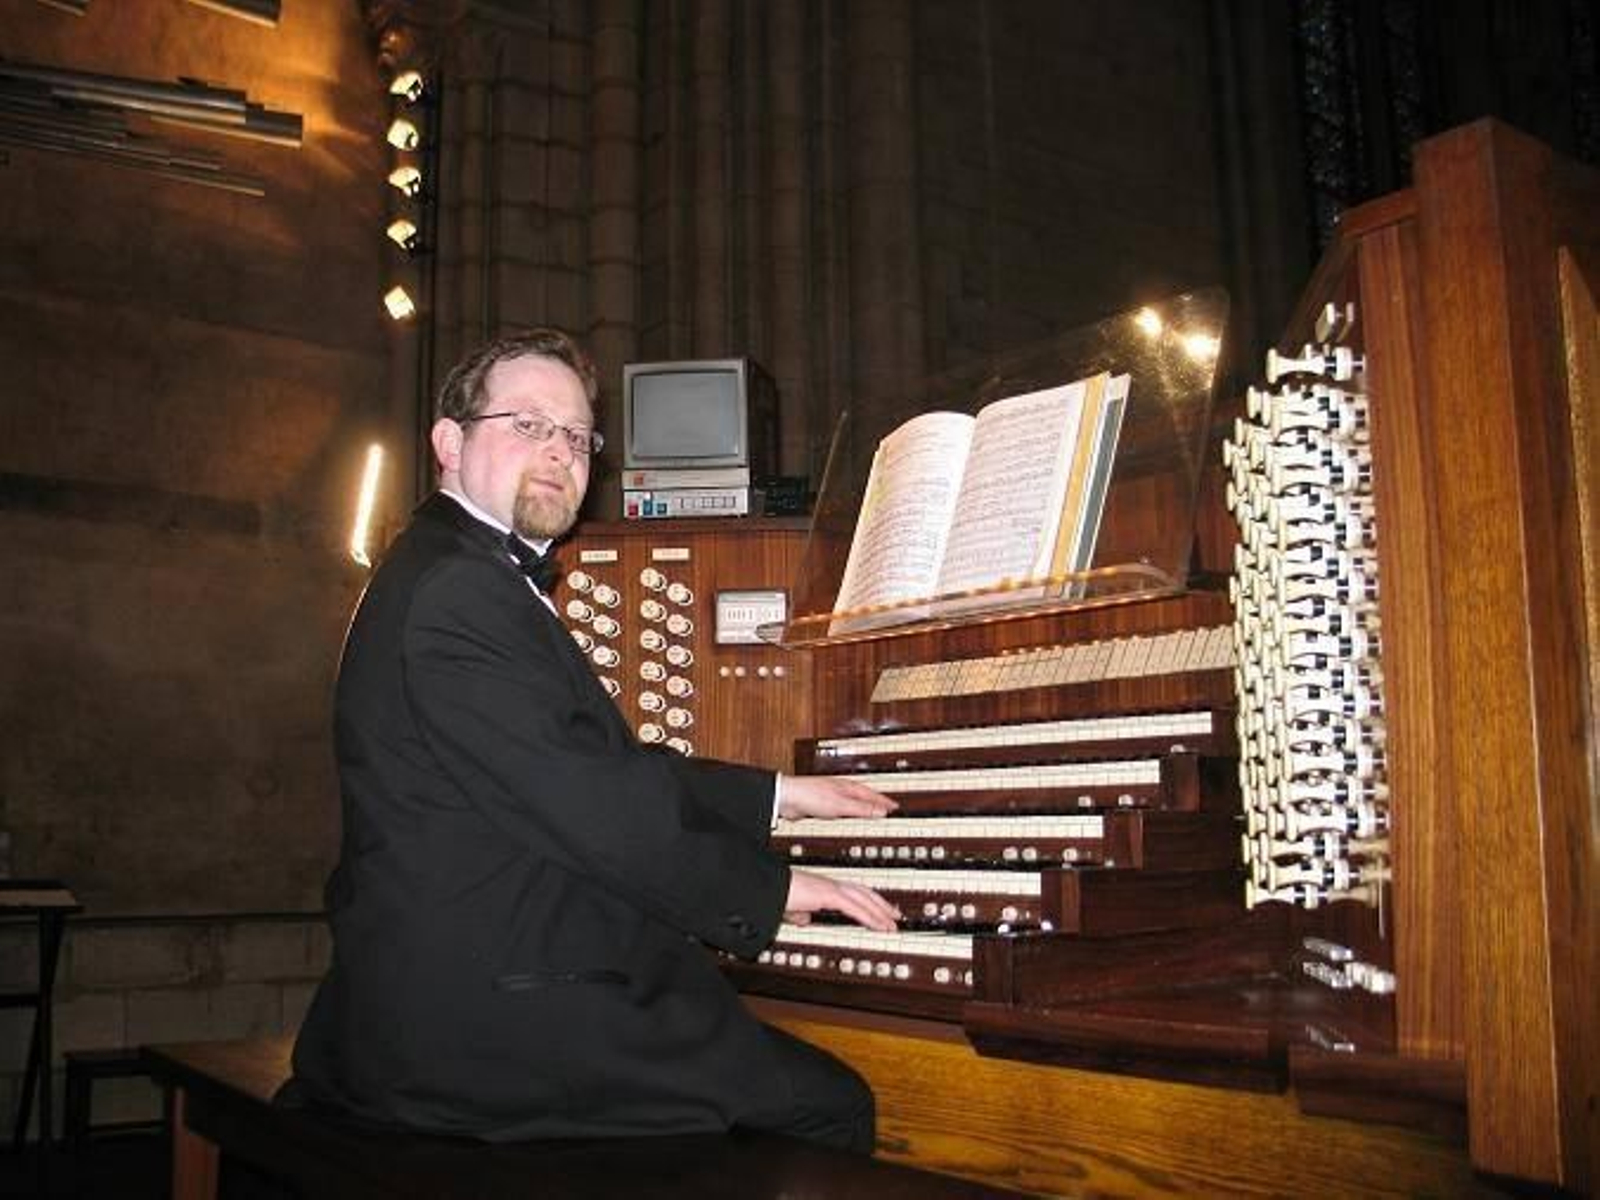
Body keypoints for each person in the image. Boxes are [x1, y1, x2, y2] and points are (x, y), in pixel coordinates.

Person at [288, 327, 900, 1154]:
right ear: (448, 442)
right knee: (830, 1104)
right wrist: (771, 891)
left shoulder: (452, 568)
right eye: (529, 424)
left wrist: (779, 796)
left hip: (457, 979)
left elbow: (596, 769)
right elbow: (597, 806)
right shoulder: (459, 589)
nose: (560, 452)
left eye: (577, 435)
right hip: (486, 1020)